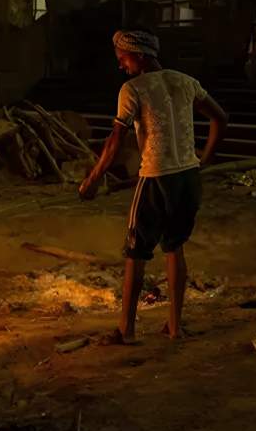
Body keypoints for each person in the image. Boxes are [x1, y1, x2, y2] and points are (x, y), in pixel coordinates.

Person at [79, 30, 228, 343]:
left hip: (156, 177)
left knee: (136, 251)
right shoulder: (185, 81)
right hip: (188, 177)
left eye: (124, 59)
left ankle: (126, 331)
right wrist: (205, 159)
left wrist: (92, 180)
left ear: (140, 55)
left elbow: (115, 139)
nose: (121, 66)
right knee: (174, 247)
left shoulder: (133, 88)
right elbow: (220, 118)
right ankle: (174, 328)